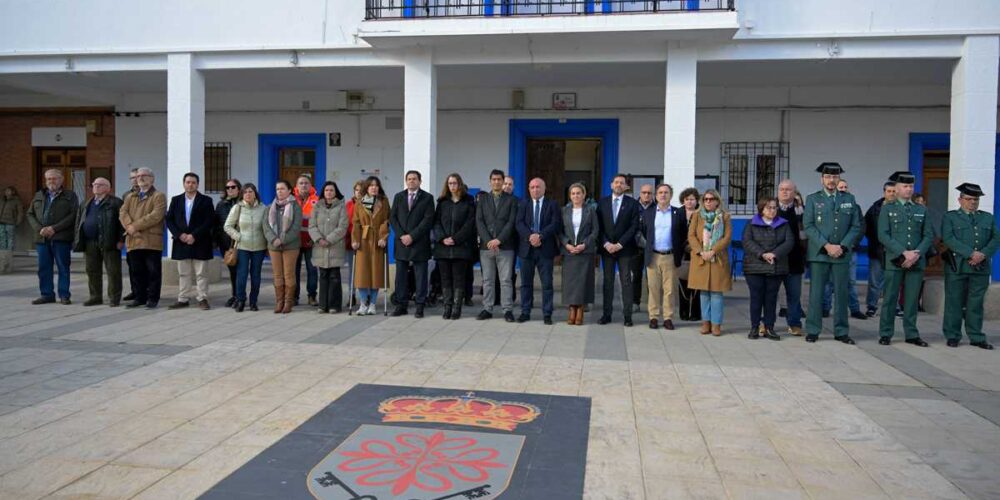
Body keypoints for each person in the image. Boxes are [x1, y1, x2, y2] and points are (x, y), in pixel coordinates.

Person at [802, 162, 862, 344]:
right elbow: (808, 226)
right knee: (816, 294)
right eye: (828, 177)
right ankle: (813, 329)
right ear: (822, 179)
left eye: (835, 177)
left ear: (839, 179)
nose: (831, 180)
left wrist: (842, 246)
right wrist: (827, 246)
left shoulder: (848, 199)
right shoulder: (813, 199)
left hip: (841, 254)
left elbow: (855, 226)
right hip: (820, 253)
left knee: (842, 293)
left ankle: (841, 331)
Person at [877, 171, 933, 346]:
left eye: (911, 186)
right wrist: (903, 252)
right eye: (905, 186)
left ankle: (911, 334)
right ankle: (886, 333)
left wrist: (916, 253)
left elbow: (928, 235)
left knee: (911, 300)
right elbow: (883, 235)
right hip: (895, 261)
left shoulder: (921, 209)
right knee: (890, 299)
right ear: (897, 188)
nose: (908, 189)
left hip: (916, 261)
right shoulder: (887, 209)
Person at [941, 183, 998, 350]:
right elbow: (949, 238)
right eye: (969, 199)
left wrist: (982, 254)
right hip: (957, 266)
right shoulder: (950, 217)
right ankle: (952, 335)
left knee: (976, 303)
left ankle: (976, 336)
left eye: (976, 199)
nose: (973, 202)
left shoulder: (987, 217)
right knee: (954, 303)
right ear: (960, 200)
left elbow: (996, 239)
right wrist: (971, 254)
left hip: (980, 268)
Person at [742, 197, 794, 340]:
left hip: (776, 267)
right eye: (768, 207)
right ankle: (754, 327)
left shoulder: (784, 224)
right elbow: (747, 242)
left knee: (771, 298)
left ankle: (769, 327)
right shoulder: (751, 224)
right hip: (754, 267)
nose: (772, 210)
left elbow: (789, 242)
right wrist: (762, 254)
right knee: (756, 297)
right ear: (761, 209)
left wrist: (774, 254)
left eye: (774, 207)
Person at [27, 169, 79, 305]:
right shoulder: (39, 194)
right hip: (42, 239)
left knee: (63, 267)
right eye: (49, 179)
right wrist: (40, 229)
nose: (51, 181)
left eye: (54, 178)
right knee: (44, 268)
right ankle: (47, 294)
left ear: (61, 179)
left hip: (61, 238)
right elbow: (30, 214)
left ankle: (64, 295)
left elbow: (73, 216)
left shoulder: (70, 195)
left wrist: (53, 228)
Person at [165, 172, 215, 311]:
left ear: (197, 184)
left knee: (201, 273)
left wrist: (194, 235)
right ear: (184, 184)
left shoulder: (206, 200)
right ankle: (183, 299)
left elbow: (209, 220)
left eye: (193, 182)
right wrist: (180, 235)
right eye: (188, 182)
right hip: (181, 242)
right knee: (183, 273)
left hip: (200, 241)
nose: (190, 184)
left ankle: (202, 298)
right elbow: (169, 219)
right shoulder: (176, 200)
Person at [515, 178, 561, 325]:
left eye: (538, 187)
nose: (535, 189)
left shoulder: (552, 204)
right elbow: (519, 223)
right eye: (532, 187)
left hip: (545, 249)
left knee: (547, 283)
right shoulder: (523, 204)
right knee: (525, 283)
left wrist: (540, 235)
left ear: (544, 188)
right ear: (529, 189)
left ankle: (547, 313)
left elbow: (555, 223)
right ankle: (525, 311)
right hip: (526, 249)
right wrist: (530, 236)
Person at [597, 174, 641, 327]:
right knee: (607, 282)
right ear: (611, 185)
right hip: (607, 249)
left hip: (625, 249)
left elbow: (634, 226)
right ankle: (606, 314)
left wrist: (620, 244)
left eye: (622, 183)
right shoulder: (602, 203)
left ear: (626, 187)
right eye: (616, 182)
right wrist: (606, 243)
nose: (619, 185)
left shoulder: (633, 204)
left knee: (626, 282)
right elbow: (598, 227)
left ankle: (627, 316)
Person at [120, 167, 167, 309]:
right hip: (133, 240)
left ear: (152, 179)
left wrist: (135, 226)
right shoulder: (130, 196)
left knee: (153, 272)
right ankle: (139, 298)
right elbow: (123, 212)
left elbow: (156, 215)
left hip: (151, 240)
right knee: (136, 271)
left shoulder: (158, 196)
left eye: (144, 175)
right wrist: (129, 226)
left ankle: (152, 298)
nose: (140, 178)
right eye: (139, 176)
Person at [390, 170, 435, 318]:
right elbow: (393, 218)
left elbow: (428, 220)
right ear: (406, 181)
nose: (411, 181)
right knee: (401, 277)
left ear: (420, 181)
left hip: (419, 243)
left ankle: (420, 305)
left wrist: (412, 236)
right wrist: (402, 235)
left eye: (414, 179)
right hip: (402, 242)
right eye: (409, 179)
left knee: (420, 276)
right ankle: (401, 305)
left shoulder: (428, 198)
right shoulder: (398, 197)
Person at [641, 183, 686, 330]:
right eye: (660, 192)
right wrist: (647, 246)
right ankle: (653, 317)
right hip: (653, 256)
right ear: (656, 195)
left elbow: (683, 234)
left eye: (666, 192)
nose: (663, 195)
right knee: (653, 288)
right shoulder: (649, 212)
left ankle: (668, 318)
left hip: (670, 256)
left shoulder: (678, 213)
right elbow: (641, 232)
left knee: (670, 289)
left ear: (671, 196)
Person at [687, 189, 732, 336]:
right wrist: (701, 251)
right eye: (705, 199)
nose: (708, 201)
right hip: (701, 259)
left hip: (717, 258)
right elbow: (691, 236)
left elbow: (727, 237)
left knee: (717, 293)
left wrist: (713, 250)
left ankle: (716, 324)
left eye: (711, 199)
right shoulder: (696, 216)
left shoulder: (724, 217)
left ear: (717, 201)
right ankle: (705, 322)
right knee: (704, 292)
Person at [73, 177, 124, 307]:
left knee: (113, 271)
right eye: (94, 184)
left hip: (110, 242)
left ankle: (114, 298)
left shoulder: (115, 203)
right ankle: (95, 297)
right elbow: (79, 221)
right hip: (90, 242)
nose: (96, 187)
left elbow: (122, 223)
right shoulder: (86, 203)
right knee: (92, 270)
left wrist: (121, 239)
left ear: (108, 188)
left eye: (100, 185)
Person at [476, 169, 518, 322]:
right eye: (494, 179)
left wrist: (499, 240)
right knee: (487, 280)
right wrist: (489, 240)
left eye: (499, 179)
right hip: (487, 247)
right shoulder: (483, 199)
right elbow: (479, 221)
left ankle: (507, 309)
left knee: (506, 280)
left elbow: (511, 222)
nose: (496, 182)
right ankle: (487, 308)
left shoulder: (511, 200)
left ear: (502, 181)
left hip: (505, 246)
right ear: (490, 181)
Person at [822, 179, 867, 320]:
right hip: (830, 250)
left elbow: (860, 227)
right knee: (828, 282)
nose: (843, 189)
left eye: (845, 187)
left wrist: (850, 244)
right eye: (840, 187)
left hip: (849, 250)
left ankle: (854, 309)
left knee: (851, 282)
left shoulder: (855, 206)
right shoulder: (827, 205)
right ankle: (825, 308)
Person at [434, 173, 476, 320]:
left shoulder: (469, 201)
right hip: (443, 248)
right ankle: (447, 307)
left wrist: (456, 238)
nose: (452, 186)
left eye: (455, 183)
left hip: (461, 247)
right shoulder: (442, 201)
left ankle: (457, 308)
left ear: (460, 184)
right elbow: (436, 222)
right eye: (450, 183)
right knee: (445, 279)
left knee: (459, 279)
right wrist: (443, 238)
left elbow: (470, 224)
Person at [224, 183, 267, 312]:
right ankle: (241, 300)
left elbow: (267, 227)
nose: (248, 194)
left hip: (259, 247)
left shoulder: (263, 208)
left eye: (251, 191)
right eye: (245, 192)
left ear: (255, 193)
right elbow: (227, 226)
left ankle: (254, 301)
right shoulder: (238, 207)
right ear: (242, 194)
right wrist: (239, 236)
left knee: (256, 276)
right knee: (241, 275)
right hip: (243, 246)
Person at [560, 182, 598, 326]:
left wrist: (584, 245)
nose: (576, 196)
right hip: (569, 252)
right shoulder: (564, 211)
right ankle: (571, 309)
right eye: (573, 193)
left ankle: (580, 309)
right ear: (570, 196)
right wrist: (567, 244)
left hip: (585, 252)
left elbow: (595, 231)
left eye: (578, 193)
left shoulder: (591, 211)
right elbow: (560, 232)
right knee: (570, 283)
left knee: (583, 283)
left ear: (584, 195)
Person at [351, 176, 390, 315]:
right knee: (362, 273)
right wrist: (355, 239)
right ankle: (363, 303)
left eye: (376, 185)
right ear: (366, 187)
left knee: (376, 273)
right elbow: (355, 222)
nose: (374, 187)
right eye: (371, 185)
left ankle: (372, 304)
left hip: (378, 241)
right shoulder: (359, 202)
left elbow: (386, 221)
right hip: (363, 239)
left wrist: (383, 237)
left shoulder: (384, 201)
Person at [309, 181, 349, 314]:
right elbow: (312, 226)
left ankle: (334, 305)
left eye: (331, 190)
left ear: (335, 192)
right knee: (323, 275)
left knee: (334, 276)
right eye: (326, 190)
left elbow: (342, 227)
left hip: (335, 246)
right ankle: (322, 305)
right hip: (320, 246)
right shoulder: (317, 206)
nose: (329, 193)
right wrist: (319, 239)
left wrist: (329, 239)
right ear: (323, 192)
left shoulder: (341, 207)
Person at [264, 180, 303, 314]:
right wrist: (274, 239)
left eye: (282, 189)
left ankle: (288, 302)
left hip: (290, 246)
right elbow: (266, 226)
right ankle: (279, 301)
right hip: (274, 246)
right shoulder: (270, 207)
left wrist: (282, 239)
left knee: (289, 274)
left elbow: (296, 227)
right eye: (277, 189)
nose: (279, 191)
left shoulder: (296, 207)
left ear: (289, 191)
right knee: (277, 275)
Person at [776, 180, 805, 335]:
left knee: (794, 295)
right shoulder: (770, 209)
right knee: (769, 294)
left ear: (794, 192)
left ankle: (794, 323)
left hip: (795, 259)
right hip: (774, 260)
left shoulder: (801, 211)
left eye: (788, 189)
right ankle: (765, 323)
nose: (785, 192)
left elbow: (806, 235)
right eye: (782, 189)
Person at [864, 182, 897, 317]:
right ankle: (872, 306)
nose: (891, 194)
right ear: (884, 192)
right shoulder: (875, 208)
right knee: (874, 281)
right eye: (889, 191)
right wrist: (876, 240)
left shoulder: (901, 208)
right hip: (877, 250)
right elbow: (866, 227)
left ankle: (893, 307)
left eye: (894, 191)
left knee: (893, 281)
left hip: (895, 252)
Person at [293, 174, 319, 306]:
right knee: (294, 270)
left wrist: (315, 239)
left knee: (312, 270)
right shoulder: (290, 199)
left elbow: (319, 222)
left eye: (306, 183)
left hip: (311, 242)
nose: (304, 185)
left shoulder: (317, 201)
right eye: (301, 183)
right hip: (294, 242)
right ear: (296, 186)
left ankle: (312, 296)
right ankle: (294, 296)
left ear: (310, 185)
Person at [216, 178, 242, 308]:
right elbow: (217, 224)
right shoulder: (221, 205)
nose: (230, 189)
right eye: (228, 188)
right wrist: (216, 241)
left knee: (240, 271)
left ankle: (240, 296)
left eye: (233, 187)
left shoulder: (244, 203)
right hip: (226, 244)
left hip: (241, 243)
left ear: (238, 189)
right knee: (232, 270)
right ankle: (235, 295)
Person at [676, 187, 701, 322]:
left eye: (692, 199)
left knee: (697, 284)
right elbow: (675, 233)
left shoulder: (702, 213)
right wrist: (684, 246)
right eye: (687, 199)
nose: (689, 202)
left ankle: (696, 313)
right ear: (683, 200)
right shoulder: (678, 213)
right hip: (682, 253)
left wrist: (694, 246)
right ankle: (684, 312)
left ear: (697, 200)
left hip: (697, 252)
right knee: (683, 282)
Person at [493, 174, 518, 306]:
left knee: (509, 273)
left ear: (513, 187)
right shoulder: (494, 200)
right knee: (495, 272)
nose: (507, 186)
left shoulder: (517, 201)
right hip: (494, 243)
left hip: (510, 243)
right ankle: (496, 298)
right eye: (505, 184)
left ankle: (509, 297)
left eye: (510, 184)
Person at [631, 183, 655, 313]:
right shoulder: (633, 207)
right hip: (636, 248)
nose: (646, 195)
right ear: (639, 193)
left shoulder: (656, 208)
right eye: (644, 192)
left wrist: (649, 244)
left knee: (651, 278)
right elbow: (631, 227)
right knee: (636, 276)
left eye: (649, 193)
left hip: (652, 249)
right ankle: (635, 302)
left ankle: (653, 303)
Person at [122, 168, 140, 302]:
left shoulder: (151, 193)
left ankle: (147, 291)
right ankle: (135, 291)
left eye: (136, 177)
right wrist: (129, 227)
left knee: (147, 267)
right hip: (130, 234)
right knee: (132, 266)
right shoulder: (126, 195)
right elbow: (123, 213)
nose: (134, 180)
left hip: (144, 233)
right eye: (132, 178)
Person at [345, 180, 363, 308]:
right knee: (352, 270)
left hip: (366, 243)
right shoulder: (349, 204)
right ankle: (351, 294)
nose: (359, 193)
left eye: (361, 190)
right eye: (357, 190)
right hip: (351, 242)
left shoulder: (369, 204)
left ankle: (365, 295)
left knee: (364, 271)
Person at [0, 185, 24, 273]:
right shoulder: (2, 200)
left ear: (13, 192)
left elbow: (20, 212)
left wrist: (17, 222)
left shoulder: (16, 201)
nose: (7, 192)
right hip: (1, 222)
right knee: (2, 240)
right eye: (6, 191)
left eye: (9, 191)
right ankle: (3, 258)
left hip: (10, 223)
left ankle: (9, 257)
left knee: (10, 240)